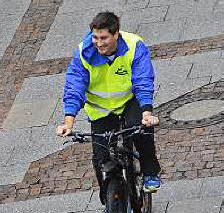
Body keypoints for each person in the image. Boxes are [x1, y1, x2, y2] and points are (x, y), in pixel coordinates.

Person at [56, 11, 161, 202]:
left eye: (103, 38)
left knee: (141, 131)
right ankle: (110, 200)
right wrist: (68, 123)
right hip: (101, 109)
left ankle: (150, 173)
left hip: (130, 101)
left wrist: (146, 112)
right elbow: (74, 87)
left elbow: (143, 79)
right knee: (100, 159)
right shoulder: (83, 53)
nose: (98, 43)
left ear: (116, 34)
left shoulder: (133, 45)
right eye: (95, 37)